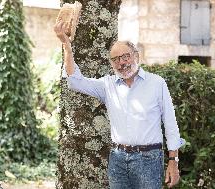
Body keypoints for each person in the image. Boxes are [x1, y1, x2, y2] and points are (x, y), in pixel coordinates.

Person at [54, 21, 185, 189]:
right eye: (115, 59)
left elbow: (170, 125)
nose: (121, 62)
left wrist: (173, 161)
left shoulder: (157, 83)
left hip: (149, 160)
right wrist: (66, 44)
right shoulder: (107, 85)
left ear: (136, 56)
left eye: (126, 56)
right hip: (118, 160)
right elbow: (75, 81)